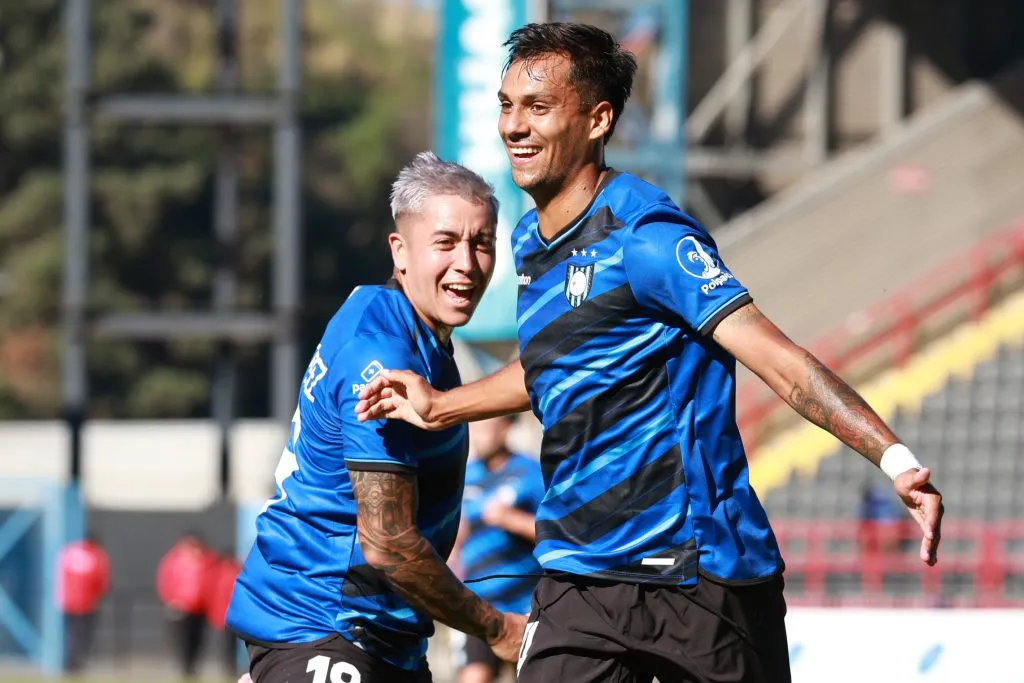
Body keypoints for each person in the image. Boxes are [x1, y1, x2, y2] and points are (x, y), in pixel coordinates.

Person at [355, 22, 945, 683]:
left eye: (538, 107)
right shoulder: (528, 243)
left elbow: (777, 357)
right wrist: (440, 406)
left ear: (598, 120)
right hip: (578, 572)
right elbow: (556, 363)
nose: (513, 126)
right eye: (506, 105)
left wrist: (894, 457)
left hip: (698, 573)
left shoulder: (647, 237)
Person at [225, 152, 525, 683]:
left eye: (482, 243)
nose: (467, 262)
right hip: (324, 627)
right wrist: (497, 628)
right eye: (446, 242)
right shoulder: (384, 358)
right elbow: (387, 544)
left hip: (374, 637)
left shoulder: (397, 326)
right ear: (400, 251)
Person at [449, 416, 544, 683]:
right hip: (479, 606)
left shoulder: (530, 472)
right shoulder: (465, 477)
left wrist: (511, 520)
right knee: (473, 677)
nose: (479, 433)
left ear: (506, 427)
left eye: (486, 426)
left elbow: (556, 533)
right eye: (474, 426)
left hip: (526, 606)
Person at [156, 531, 217, 678]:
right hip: (181, 607)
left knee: (198, 639)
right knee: (183, 639)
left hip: (201, 607)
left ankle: (193, 667)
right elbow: (165, 581)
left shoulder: (208, 560)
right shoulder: (174, 560)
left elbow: (212, 582)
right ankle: (186, 668)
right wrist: (171, 600)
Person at [57, 532, 111, 674]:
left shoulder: (69, 552)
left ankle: (69, 662)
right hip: (87, 603)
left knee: (71, 633)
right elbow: (101, 581)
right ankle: (76, 663)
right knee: (83, 634)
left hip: (67, 602)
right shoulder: (97, 556)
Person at [205, 549, 243, 676]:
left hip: (231, 617)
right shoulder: (219, 573)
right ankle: (228, 668)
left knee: (231, 645)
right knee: (226, 645)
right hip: (223, 617)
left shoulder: (234, 573)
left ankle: (231, 668)